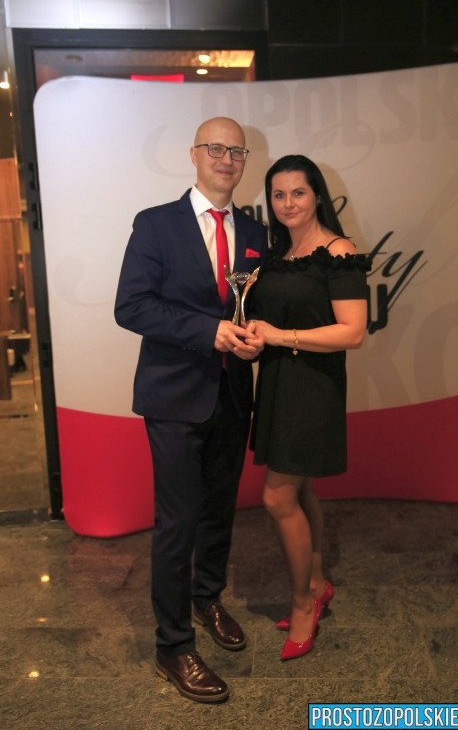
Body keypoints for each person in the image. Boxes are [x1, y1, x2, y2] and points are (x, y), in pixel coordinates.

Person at [114, 117, 267, 703]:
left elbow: (253, 304)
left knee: (219, 511)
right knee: (177, 523)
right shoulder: (156, 223)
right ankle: (173, 645)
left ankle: (208, 599)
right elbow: (131, 306)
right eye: (216, 148)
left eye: (237, 151)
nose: (226, 158)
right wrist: (209, 332)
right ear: (195, 155)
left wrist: (254, 336)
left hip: (233, 392)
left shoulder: (254, 231)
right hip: (175, 397)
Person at [244, 154, 370, 661]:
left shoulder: (338, 251)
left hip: (313, 388)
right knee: (301, 488)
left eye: (298, 192)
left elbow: (353, 332)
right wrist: (257, 336)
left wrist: (280, 335)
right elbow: (272, 319)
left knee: (278, 498)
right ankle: (317, 583)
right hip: (278, 382)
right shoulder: (279, 253)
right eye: (278, 194)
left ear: (317, 195)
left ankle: (303, 604)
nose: (287, 203)